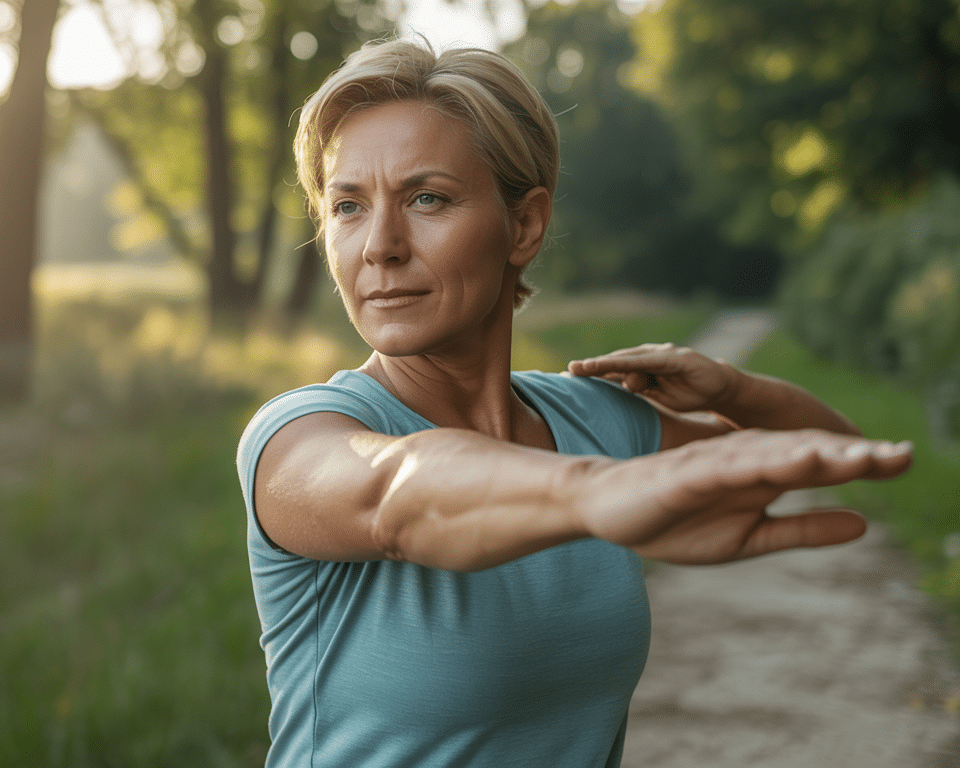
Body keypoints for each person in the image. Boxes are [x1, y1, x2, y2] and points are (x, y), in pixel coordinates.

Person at [236, 39, 911, 768]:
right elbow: (396, 493)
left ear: (524, 225)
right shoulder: (295, 438)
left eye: (427, 198)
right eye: (347, 206)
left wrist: (737, 391)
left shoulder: (594, 421)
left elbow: (841, 459)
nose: (381, 246)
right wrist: (595, 491)